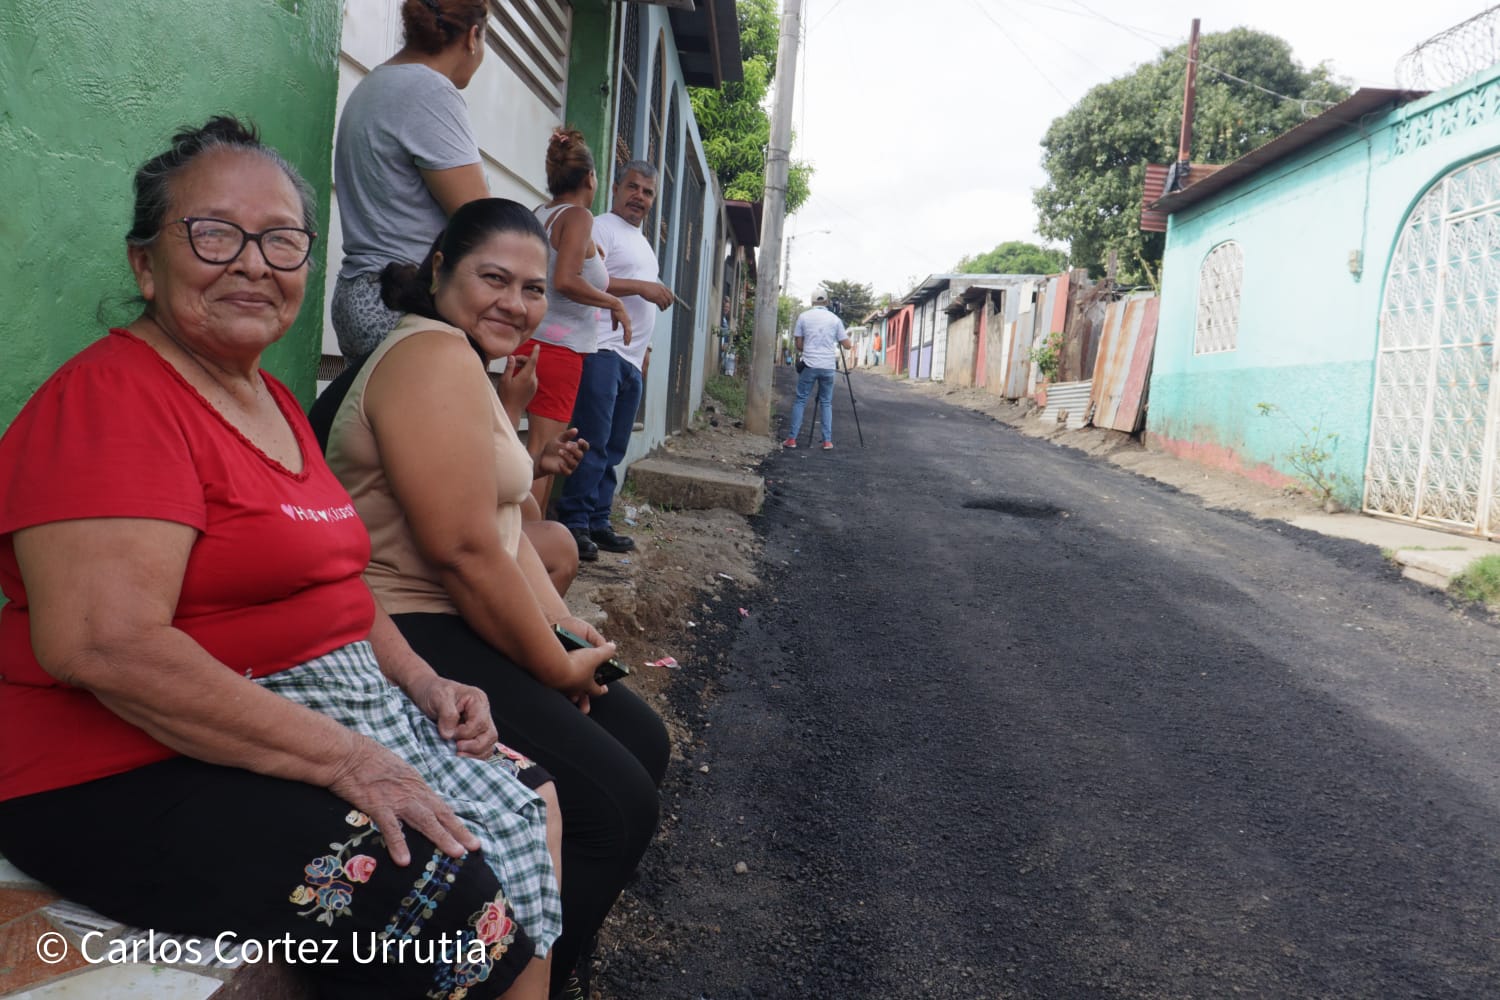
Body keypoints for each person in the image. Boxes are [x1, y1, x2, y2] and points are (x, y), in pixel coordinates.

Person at [0, 117, 560, 1000]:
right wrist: (348, 760)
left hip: (280, 713)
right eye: (214, 234)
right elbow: (104, 646)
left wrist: (425, 685)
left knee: (527, 792)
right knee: (442, 890)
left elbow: (338, 587)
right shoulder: (113, 400)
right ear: (145, 264)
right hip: (109, 766)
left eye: (282, 240)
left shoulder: (269, 399)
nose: (254, 263)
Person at [323, 198, 669, 998]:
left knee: (641, 737)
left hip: (454, 615)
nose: (516, 303)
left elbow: (504, 527)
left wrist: (566, 628)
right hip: (404, 630)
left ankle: (542, 961)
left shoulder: (466, 359)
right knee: (612, 808)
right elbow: (463, 552)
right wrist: (553, 665)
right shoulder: (430, 356)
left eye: (534, 288)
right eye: (494, 279)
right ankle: (513, 984)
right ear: (440, 269)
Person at [330, 0, 490, 363]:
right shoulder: (429, 91)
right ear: (472, 37)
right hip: (402, 300)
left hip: (362, 293)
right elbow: (482, 220)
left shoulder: (375, 83)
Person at [554, 161, 672, 558]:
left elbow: (642, 303)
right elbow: (588, 278)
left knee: (615, 446)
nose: (640, 197)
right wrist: (642, 287)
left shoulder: (643, 243)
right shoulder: (602, 227)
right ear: (616, 188)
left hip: (630, 359)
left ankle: (598, 521)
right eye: (633, 187)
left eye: (648, 192)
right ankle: (574, 523)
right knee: (593, 441)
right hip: (602, 349)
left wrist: (645, 351)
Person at [514, 127, 631, 525]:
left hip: (529, 343)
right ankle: (528, 539)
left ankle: (518, 534)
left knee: (524, 448)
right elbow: (565, 279)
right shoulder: (579, 216)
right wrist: (613, 302)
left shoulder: (541, 213)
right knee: (544, 454)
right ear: (590, 179)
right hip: (560, 352)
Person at [783, 292, 853, 451]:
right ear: (827, 302)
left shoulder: (803, 317)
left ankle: (792, 439)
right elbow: (847, 345)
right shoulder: (835, 319)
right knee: (826, 402)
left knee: (801, 400)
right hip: (828, 366)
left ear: (812, 301)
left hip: (809, 365)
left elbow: (799, 345)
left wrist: (811, 347)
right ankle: (827, 441)